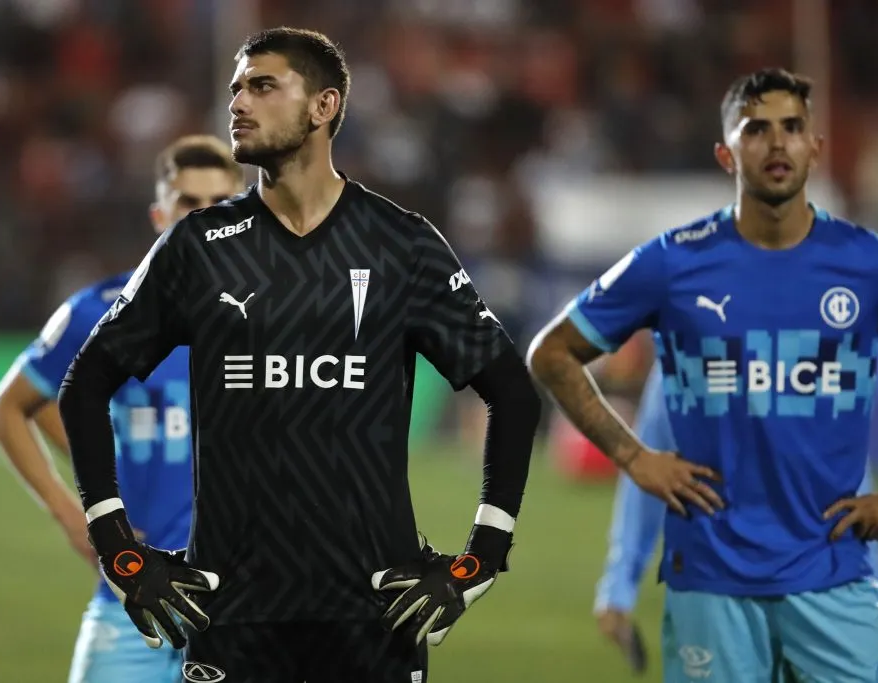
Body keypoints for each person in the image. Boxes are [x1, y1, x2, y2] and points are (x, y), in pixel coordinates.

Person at [57, 27, 540, 683]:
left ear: (324, 106)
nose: (238, 103)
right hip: (232, 618)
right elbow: (86, 383)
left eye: (262, 86)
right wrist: (119, 548)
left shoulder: (401, 244)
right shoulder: (200, 247)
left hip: (376, 614)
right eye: (235, 89)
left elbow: (512, 392)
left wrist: (481, 557)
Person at [528, 67, 878, 682]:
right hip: (712, 586)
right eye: (756, 130)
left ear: (815, 148)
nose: (777, 144)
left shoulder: (866, 263)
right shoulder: (673, 262)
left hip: (836, 577)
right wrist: (636, 458)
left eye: (793, 128)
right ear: (726, 153)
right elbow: (551, 354)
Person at [0, 134, 244, 683]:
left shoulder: (287, 318)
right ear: (159, 214)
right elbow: (9, 408)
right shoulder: (101, 312)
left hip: (249, 605)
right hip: (134, 594)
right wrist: (68, 510)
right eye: (189, 204)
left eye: (220, 204)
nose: (204, 219)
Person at [593, 364, 878, 677]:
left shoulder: (848, 328)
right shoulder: (688, 342)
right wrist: (619, 584)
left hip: (840, 584)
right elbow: (652, 462)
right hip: (724, 590)